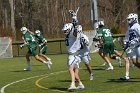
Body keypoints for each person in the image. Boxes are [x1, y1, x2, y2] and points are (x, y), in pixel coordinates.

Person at [62, 23, 84, 90]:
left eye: (66, 30)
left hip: (74, 55)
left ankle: (73, 84)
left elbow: (75, 32)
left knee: (70, 69)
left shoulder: (73, 34)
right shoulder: (68, 35)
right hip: (71, 55)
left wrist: (75, 22)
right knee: (73, 72)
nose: (65, 31)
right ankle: (80, 84)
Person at [120, 13, 140, 80]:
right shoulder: (129, 27)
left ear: (134, 19)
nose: (128, 20)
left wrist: (136, 40)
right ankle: (126, 76)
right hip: (133, 47)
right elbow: (127, 36)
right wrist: (125, 43)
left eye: (130, 19)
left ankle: (127, 75)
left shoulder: (137, 26)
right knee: (134, 62)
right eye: (128, 19)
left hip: (139, 46)